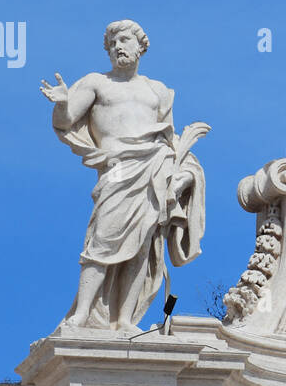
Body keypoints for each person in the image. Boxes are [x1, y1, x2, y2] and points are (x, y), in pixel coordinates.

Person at [40, 20, 207, 331]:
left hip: (154, 167)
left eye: (125, 40)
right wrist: (62, 104)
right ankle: (82, 314)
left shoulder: (157, 90)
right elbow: (65, 122)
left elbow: (168, 139)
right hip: (117, 170)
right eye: (113, 43)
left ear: (140, 46)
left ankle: (126, 320)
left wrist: (182, 173)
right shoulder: (97, 83)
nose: (118, 46)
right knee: (103, 237)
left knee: (144, 244)